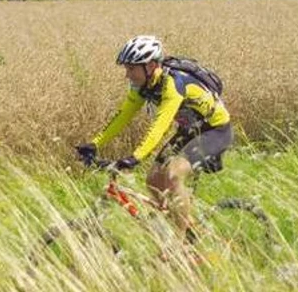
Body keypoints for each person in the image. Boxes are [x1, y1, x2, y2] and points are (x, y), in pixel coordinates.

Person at [75, 35, 232, 237]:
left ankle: (178, 241)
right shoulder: (142, 86)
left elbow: (161, 125)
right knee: (152, 180)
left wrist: (136, 157)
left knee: (173, 174)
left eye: (131, 68)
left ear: (149, 66)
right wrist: (94, 144)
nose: (127, 75)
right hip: (189, 131)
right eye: (126, 68)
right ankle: (189, 230)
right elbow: (123, 115)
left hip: (215, 131)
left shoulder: (174, 84)